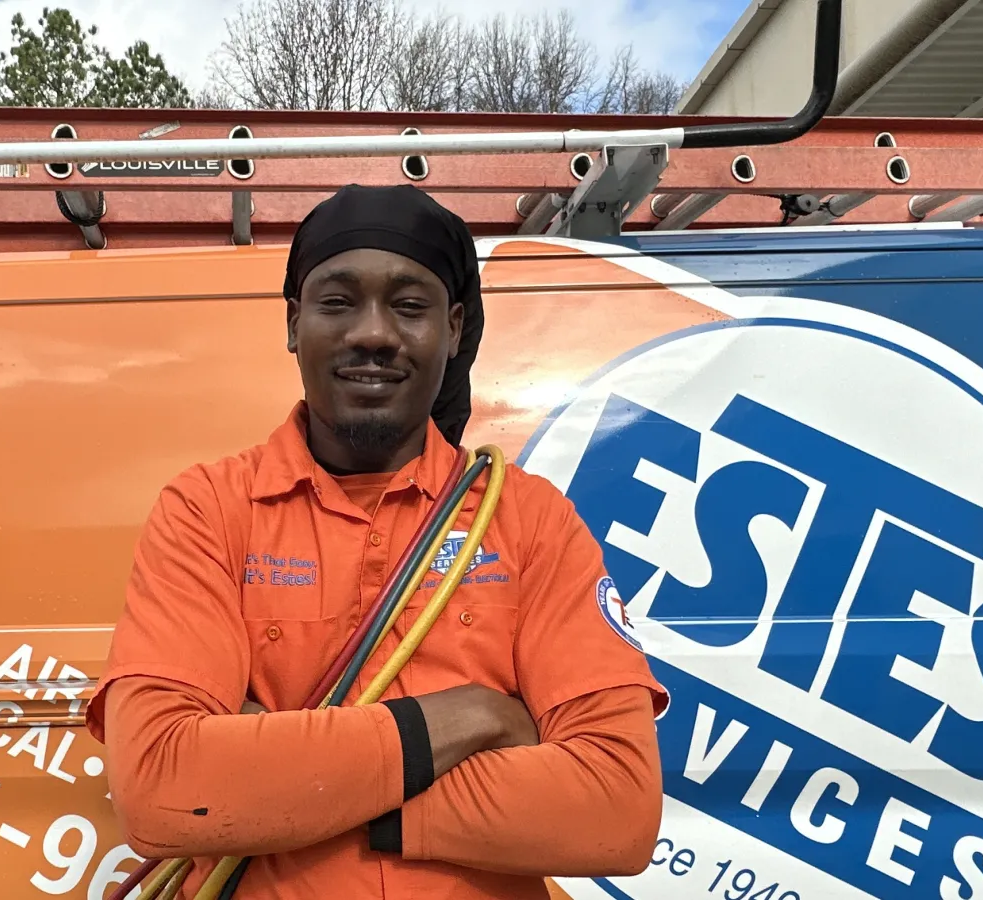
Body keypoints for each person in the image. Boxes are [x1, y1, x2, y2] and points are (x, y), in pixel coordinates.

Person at [87, 184, 668, 899]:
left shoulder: (531, 521)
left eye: (409, 304)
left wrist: (285, 780)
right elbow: (163, 784)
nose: (373, 333)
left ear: (454, 329)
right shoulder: (207, 511)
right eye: (337, 302)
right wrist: (470, 718)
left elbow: (616, 808)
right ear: (295, 324)